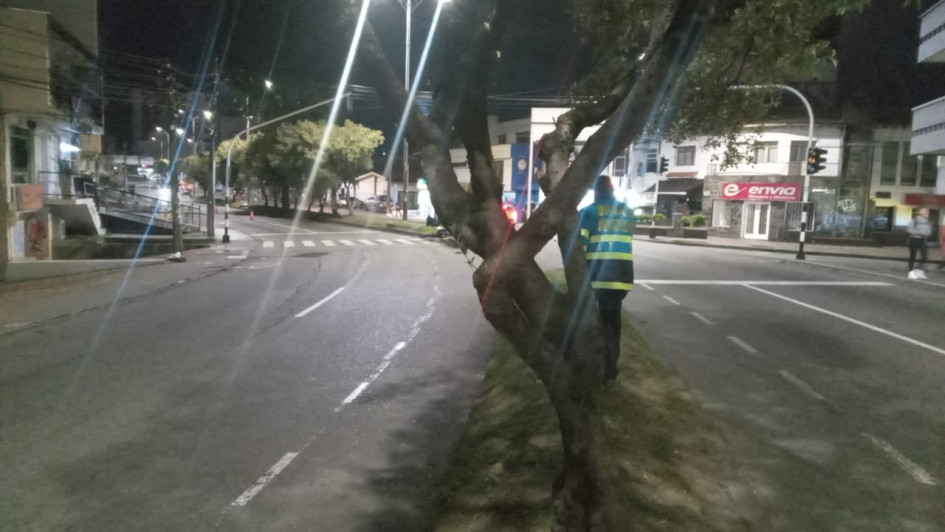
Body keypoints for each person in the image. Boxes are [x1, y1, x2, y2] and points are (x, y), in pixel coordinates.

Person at [579, 175, 635, 384]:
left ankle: (600, 369)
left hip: (600, 276)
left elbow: (581, 243)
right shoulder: (627, 212)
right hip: (622, 276)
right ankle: (610, 370)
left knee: (596, 325)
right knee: (613, 326)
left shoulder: (590, 212)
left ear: (595, 191)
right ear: (612, 190)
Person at [907, 208, 932, 279]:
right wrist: (920, 232)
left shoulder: (927, 221)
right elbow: (909, 230)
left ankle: (918, 270)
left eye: (927, 211)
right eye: (924, 211)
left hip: (922, 240)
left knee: (924, 257)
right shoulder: (915, 220)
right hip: (914, 239)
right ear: (920, 212)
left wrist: (927, 233)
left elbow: (929, 231)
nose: (926, 212)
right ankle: (911, 272)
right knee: (913, 256)